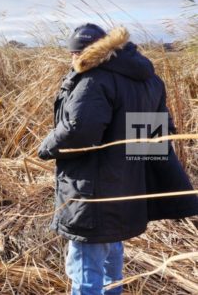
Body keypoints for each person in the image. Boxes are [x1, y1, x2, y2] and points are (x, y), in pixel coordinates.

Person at [38, 23, 198, 294]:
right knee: (111, 265)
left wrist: (46, 146)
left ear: (82, 53)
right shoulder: (148, 81)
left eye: (73, 54)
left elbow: (80, 133)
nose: (72, 60)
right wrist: (130, 179)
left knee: (85, 270)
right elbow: (152, 142)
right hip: (125, 192)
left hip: (91, 194)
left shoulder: (93, 80)